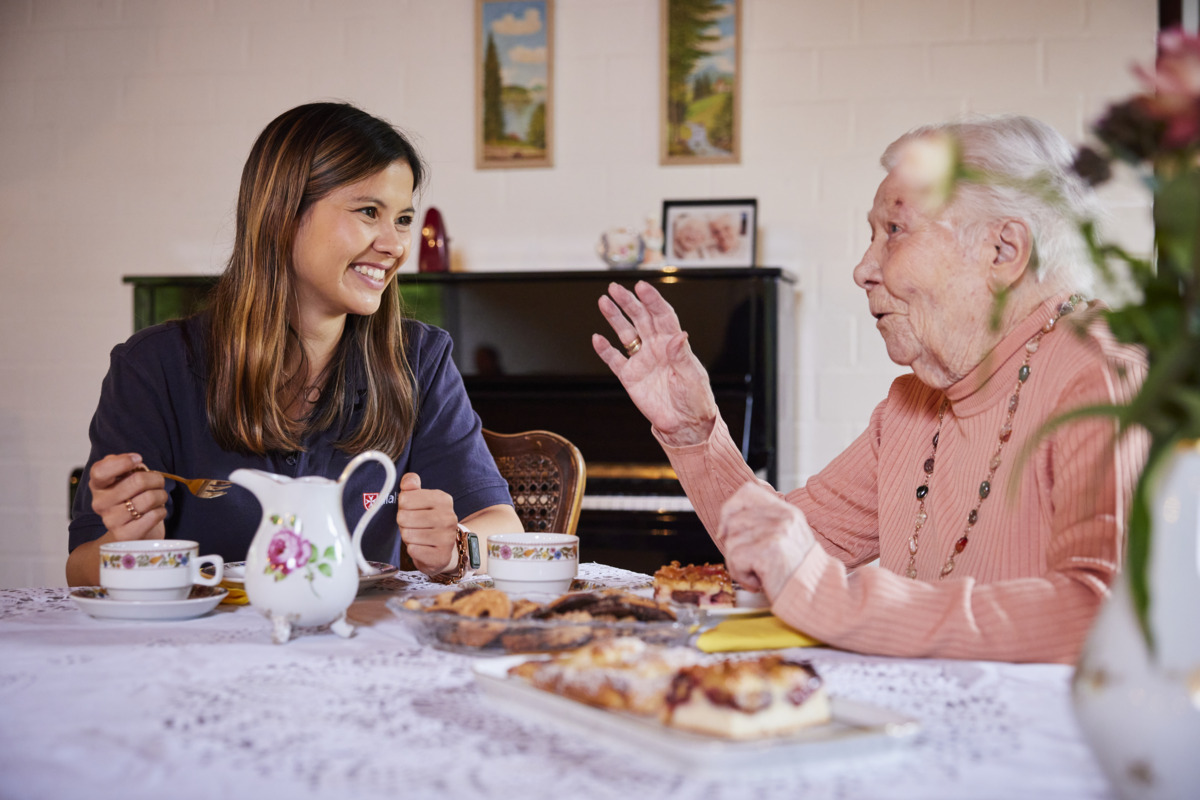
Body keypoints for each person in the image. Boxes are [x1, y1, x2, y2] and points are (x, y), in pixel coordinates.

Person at [593, 115, 1147, 663]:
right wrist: (695, 434)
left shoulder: (1108, 373)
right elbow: (784, 550)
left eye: (895, 231)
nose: (862, 269)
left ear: (1003, 250)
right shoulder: (912, 404)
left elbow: (1098, 613)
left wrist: (836, 600)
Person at [67, 102, 521, 587]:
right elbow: (80, 570)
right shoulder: (153, 367)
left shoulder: (419, 360)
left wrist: (456, 546)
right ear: (282, 216)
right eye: (370, 212)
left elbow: (502, 530)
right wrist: (128, 545)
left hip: (357, 652)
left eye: (404, 219)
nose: (395, 245)